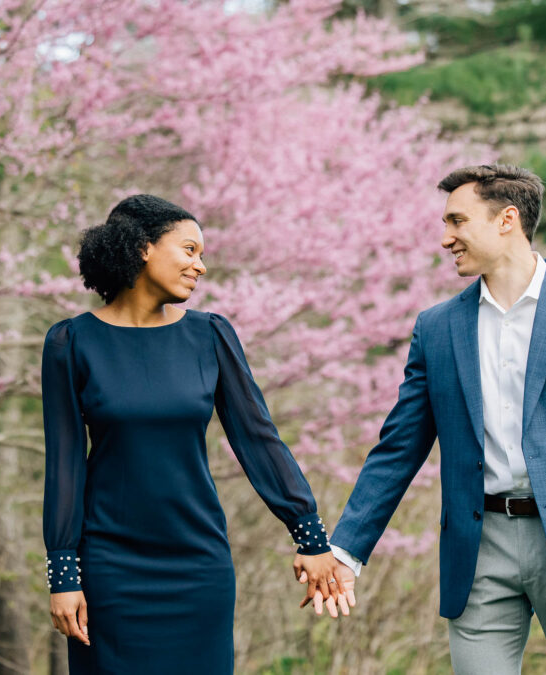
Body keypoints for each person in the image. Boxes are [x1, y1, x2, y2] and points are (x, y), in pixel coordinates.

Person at [322, 165, 546, 674]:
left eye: (457, 221)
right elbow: (399, 447)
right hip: (477, 549)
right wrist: (345, 550)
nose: (444, 238)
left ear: (507, 219)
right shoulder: (436, 328)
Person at [41, 194, 338, 674]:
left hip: (198, 565)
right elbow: (64, 466)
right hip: (109, 571)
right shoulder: (70, 343)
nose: (200, 266)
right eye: (189, 250)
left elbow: (258, 441)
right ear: (142, 248)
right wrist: (62, 574)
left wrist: (310, 535)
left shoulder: (210, 336)